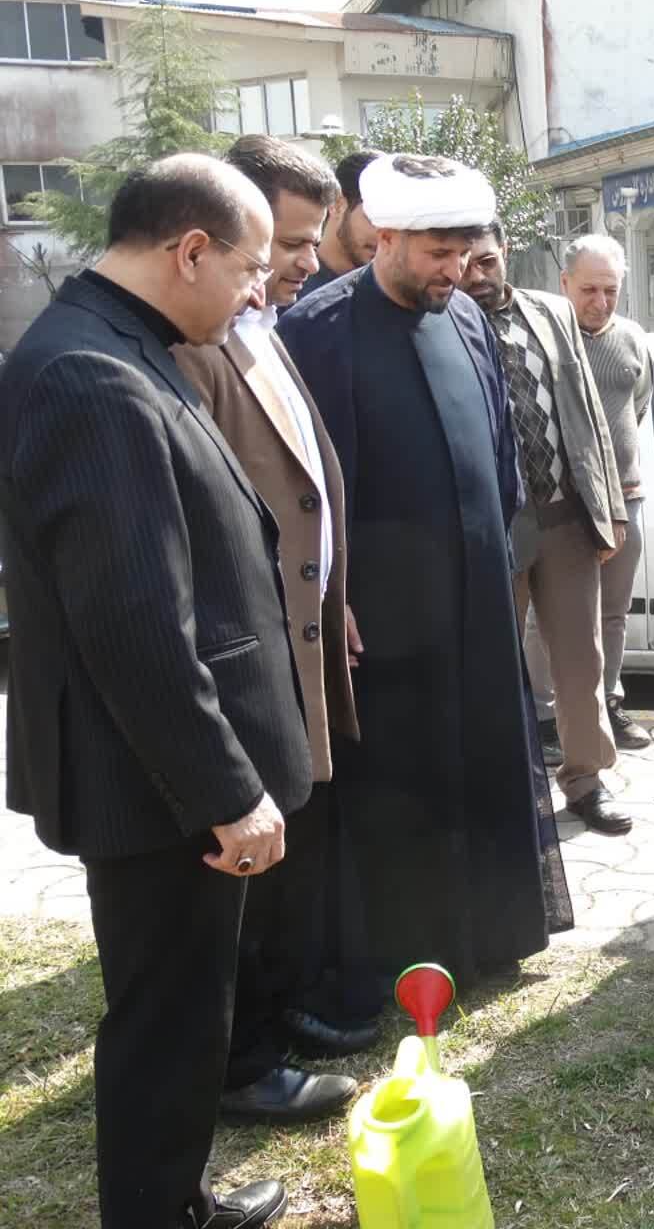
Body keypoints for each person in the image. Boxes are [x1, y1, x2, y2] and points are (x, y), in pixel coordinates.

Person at [0, 154, 311, 1227]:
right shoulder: (91, 375)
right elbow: (136, 623)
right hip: (155, 777)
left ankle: (174, 1195)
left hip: (157, 766)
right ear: (188, 250)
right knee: (165, 1012)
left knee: (181, 1001)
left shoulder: (121, 342)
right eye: (249, 268)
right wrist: (227, 789)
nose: (256, 291)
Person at [276, 154, 573, 1004]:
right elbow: (301, 490)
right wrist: (333, 598)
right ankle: (400, 959)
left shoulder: (470, 319)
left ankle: (493, 934)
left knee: (484, 757)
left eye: (466, 252)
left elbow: (500, 448)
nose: (454, 272)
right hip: (382, 615)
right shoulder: (319, 329)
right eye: (437, 254)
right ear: (386, 236)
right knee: (401, 787)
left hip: (478, 595)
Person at [170, 136, 367, 1125]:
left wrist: (335, 598)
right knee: (245, 856)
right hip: (243, 648)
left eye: (307, 240)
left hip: (303, 628)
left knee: (296, 838)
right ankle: (242, 1060)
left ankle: (283, 1008)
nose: (298, 261)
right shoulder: (192, 342)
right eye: (284, 242)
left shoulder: (263, 320)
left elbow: (297, 476)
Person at [460, 221, 632, 835]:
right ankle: (498, 784)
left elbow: (587, 407)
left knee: (581, 659)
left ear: (504, 253)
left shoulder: (552, 313)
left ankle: (586, 779)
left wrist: (608, 508)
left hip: (564, 518)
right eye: (463, 262)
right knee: (491, 662)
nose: (474, 276)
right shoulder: (446, 320)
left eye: (485, 261)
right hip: (489, 526)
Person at [562, 234, 654, 758]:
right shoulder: (550, 339)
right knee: (549, 617)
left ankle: (610, 703)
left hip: (627, 499)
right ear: (565, 285)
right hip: (562, 502)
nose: (600, 302)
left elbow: (637, 408)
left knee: (613, 613)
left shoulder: (634, 339)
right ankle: (548, 715)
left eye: (611, 291)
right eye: (589, 290)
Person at [296, 149, 380, 298]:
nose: (384, 236)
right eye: (375, 219)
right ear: (337, 205)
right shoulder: (291, 287)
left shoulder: (394, 294)